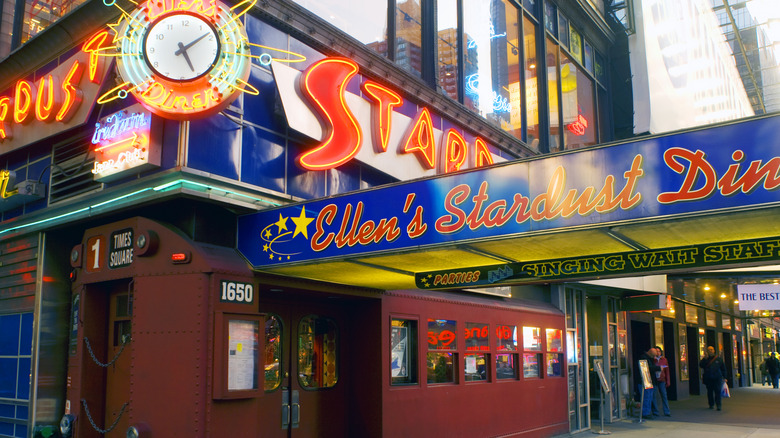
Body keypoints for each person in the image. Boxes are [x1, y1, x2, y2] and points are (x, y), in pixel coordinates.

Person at [634, 347, 661, 418]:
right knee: (646, 397)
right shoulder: (643, 358)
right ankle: (645, 413)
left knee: (649, 397)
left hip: (647, 380)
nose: (654, 357)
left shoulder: (647, 358)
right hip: (644, 381)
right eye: (653, 355)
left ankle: (647, 412)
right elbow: (647, 369)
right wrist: (658, 368)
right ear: (650, 353)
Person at [699, 346, 727, 411]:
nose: (710, 351)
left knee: (717, 391)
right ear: (707, 351)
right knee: (710, 392)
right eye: (709, 350)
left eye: (711, 349)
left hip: (717, 378)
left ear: (714, 350)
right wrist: (704, 359)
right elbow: (701, 365)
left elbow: (723, 368)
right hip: (708, 378)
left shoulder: (719, 359)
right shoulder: (706, 359)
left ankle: (718, 405)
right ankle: (711, 404)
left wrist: (725, 377)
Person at [652, 346, 671, 417]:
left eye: (659, 351)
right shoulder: (653, 360)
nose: (658, 353)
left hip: (662, 379)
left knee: (664, 395)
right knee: (654, 395)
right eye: (656, 351)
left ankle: (667, 411)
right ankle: (655, 411)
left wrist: (668, 380)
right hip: (655, 379)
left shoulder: (664, 359)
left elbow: (667, 371)